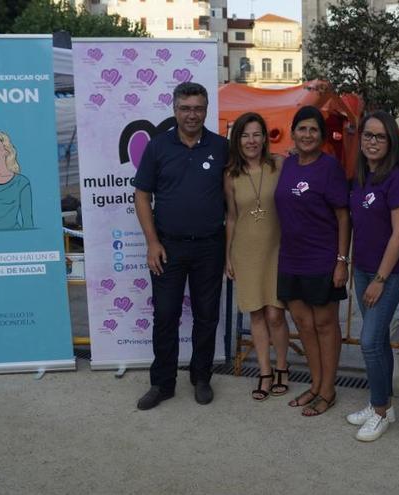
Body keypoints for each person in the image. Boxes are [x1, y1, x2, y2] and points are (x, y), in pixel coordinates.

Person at [133, 82, 228, 410]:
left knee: (206, 316)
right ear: (175, 110)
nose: (192, 114)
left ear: (206, 110)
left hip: (210, 247)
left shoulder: (221, 147)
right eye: (185, 108)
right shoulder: (158, 147)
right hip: (167, 248)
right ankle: (162, 384)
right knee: (165, 316)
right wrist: (152, 242)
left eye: (198, 108)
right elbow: (142, 195)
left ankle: (201, 377)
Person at [343, 111, 399, 441]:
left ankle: (381, 410)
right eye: (368, 136)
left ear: (391, 142)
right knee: (379, 339)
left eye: (380, 137)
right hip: (363, 269)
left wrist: (380, 279)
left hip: (389, 273)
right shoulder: (359, 177)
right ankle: (380, 405)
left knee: (370, 340)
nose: (372, 142)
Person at [274, 105, 350, 417]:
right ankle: (316, 384)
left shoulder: (329, 167)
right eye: (302, 129)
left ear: (322, 136)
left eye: (313, 130)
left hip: (322, 258)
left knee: (324, 324)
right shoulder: (287, 165)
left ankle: (329, 389)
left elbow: (343, 216)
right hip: (291, 259)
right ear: (293, 133)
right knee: (303, 324)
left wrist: (341, 260)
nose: (307, 135)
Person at [223, 112, 292, 401]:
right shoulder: (231, 175)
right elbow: (232, 218)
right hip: (245, 251)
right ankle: (264, 372)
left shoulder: (279, 165)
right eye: (244, 135)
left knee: (276, 313)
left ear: (265, 137)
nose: (250, 141)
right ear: (237, 139)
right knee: (256, 313)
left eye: (256, 134)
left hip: (277, 248)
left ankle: (282, 367)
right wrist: (228, 255)